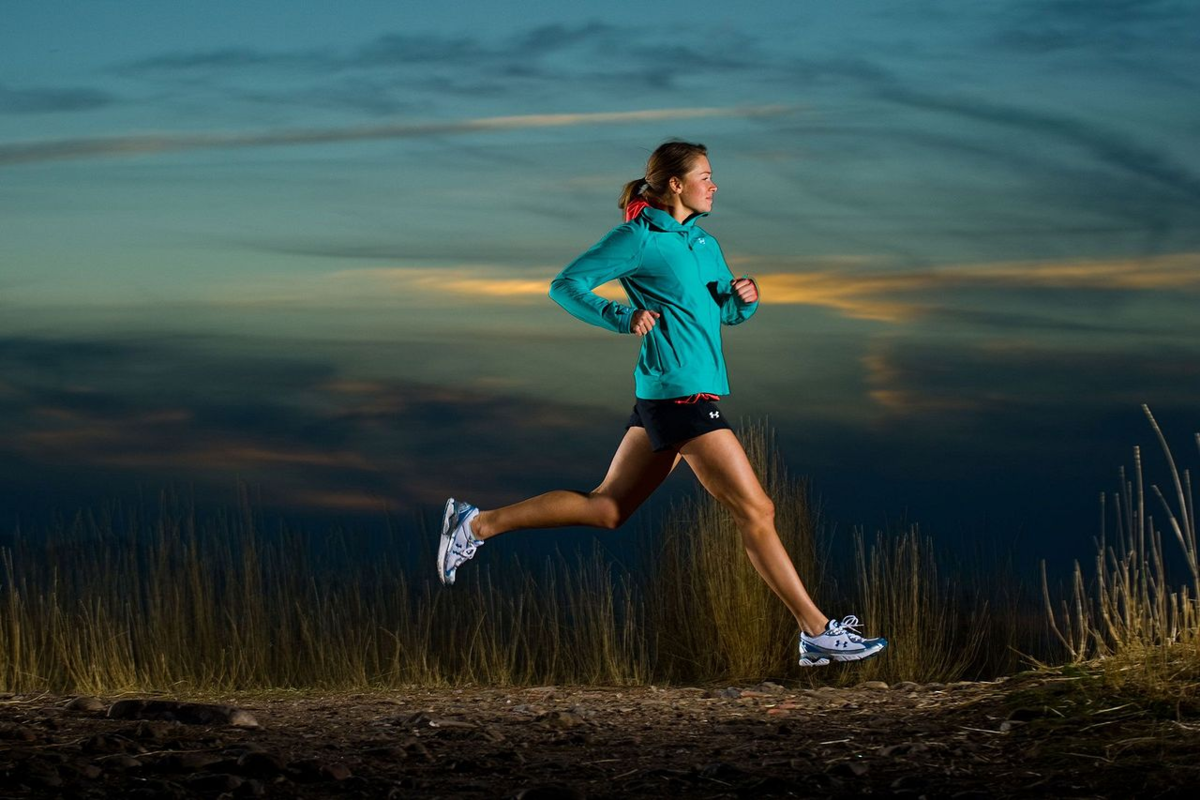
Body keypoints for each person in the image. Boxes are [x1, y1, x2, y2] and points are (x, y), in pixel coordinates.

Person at [438, 141, 887, 667]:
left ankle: (474, 525)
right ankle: (815, 631)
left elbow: (717, 314)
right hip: (680, 396)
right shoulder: (636, 238)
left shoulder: (706, 244)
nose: (714, 185)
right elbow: (566, 285)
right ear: (676, 184)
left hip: (680, 392)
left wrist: (744, 301)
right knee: (756, 509)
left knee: (606, 508)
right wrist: (620, 317)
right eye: (706, 176)